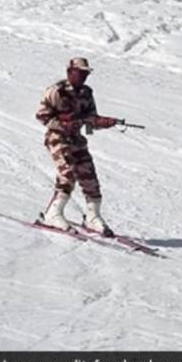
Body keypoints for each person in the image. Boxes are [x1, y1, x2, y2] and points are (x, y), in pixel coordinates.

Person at [35, 57, 118, 236]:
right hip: (57, 138)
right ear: (70, 72)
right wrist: (65, 125)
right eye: (80, 72)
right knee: (67, 173)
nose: (83, 76)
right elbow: (42, 116)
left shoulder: (86, 93)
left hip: (76, 139)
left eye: (86, 73)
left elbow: (90, 118)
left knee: (89, 175)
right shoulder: (56, 91)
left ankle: (93, 217)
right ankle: (52, 214)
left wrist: (104, 122)